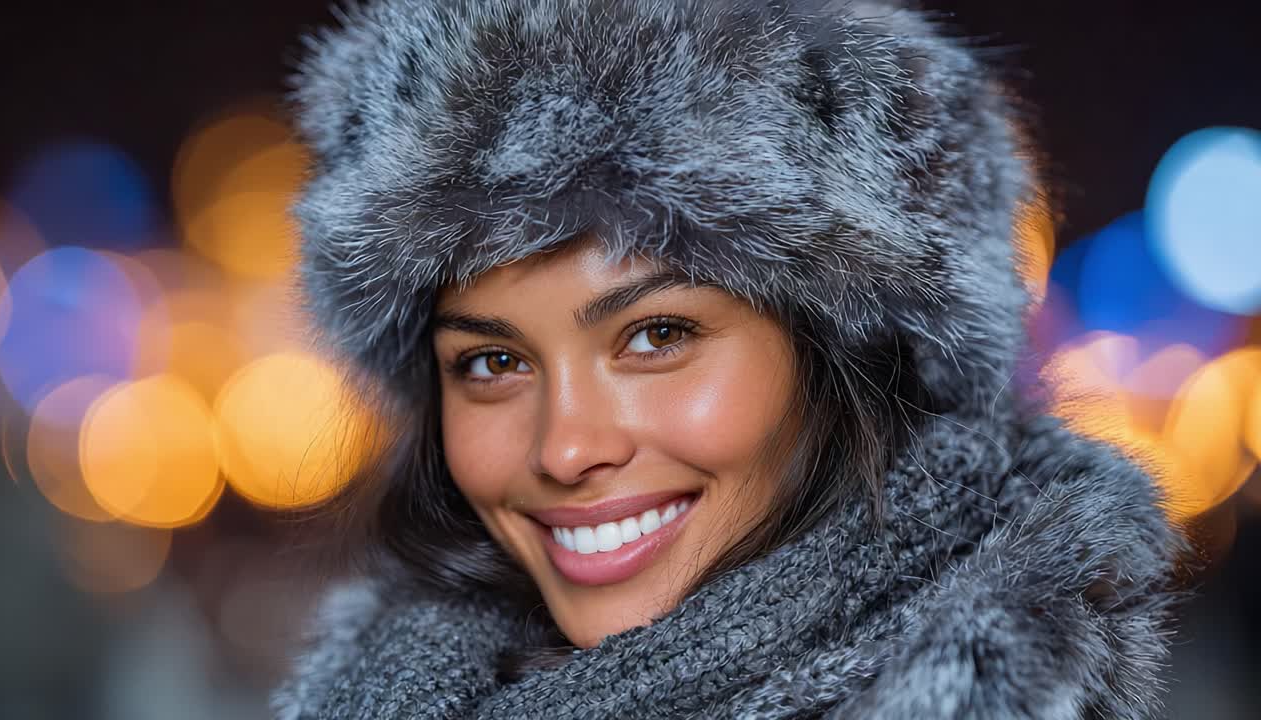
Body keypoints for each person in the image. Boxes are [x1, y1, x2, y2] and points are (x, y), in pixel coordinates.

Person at [272, 0, 1187, 717]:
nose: (563, 448)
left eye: (656, 336)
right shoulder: (398, 681)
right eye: (491, 364)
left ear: (847, 354)